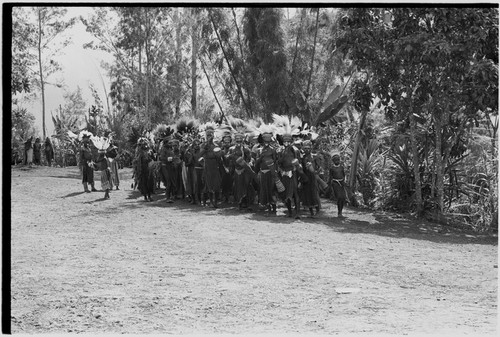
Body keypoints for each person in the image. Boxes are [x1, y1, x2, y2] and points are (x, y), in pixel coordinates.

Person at [277, 132, 302, 219]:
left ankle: (298, 213)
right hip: (284, 173)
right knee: (285, 193)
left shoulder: (295, 150)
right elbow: (279, 162)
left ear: (291, 141)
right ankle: (290, 212)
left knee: (295, 193)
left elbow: (299, 162)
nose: (286, 143)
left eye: (288, 141)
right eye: (285, 141)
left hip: (293, 173)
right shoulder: (281, 150)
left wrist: (298, 173)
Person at [255, 128, 278, 214]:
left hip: (270, 172)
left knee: (271, 190)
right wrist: (261, 156)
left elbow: (276, 161)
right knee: (264, 190)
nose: (266, 143)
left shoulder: (273, 150)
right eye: (265, 141)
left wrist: (274, 171)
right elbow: (257, 162)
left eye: (268, 141)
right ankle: (268, 209)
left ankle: (274, 209)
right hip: (263, 172)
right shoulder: (259, 150)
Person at [200, 125, 223, 208]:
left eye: (211, 135)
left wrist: (218, 154)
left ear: (213, 135)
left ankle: (216, 202)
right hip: (207, 167)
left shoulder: (216, 145)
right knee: (208, 185)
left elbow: (220, 157)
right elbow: (200, 154)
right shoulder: (203, 145)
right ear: (206, 136)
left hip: (215, 167)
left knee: (216, 185)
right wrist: (206, 146)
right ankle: (210, 202)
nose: (209, 136)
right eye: (208, 135)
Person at [300, 140, 321, 217]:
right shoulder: (303, 158)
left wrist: (314, 171)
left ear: (311, 148)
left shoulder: (314, 157)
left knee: (314, 194)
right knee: (307, 194)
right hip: (306, 178)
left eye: (308, 148)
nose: (307, 150)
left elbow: (319, 168)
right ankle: (311, 212)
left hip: (313, 178)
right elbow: (301, 168)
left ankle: (318, 211)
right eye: (305, 148)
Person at [136, 137, 155, 201]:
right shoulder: (140, 153)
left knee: (150, 183)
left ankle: (149, 196)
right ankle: (145, 197)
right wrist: (140, 171)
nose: (145, 145)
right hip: (143, 170)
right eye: (143, 144)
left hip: (150, 169)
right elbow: (139, 163)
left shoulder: (150, 151)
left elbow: (153, 158)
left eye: (146, 144)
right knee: (144, 183)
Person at [329, 151, 347, 218]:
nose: (337, 161)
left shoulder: (341, 167)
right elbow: (330, 177)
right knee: (339, 197)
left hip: (341, 183)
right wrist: (330, 186)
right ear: (333, 161)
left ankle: (340, 212)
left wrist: (344, 181)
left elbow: (343, 175)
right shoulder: (332, 168)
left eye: (338, 160)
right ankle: (339, 212)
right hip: (335, 183)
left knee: (343, 198)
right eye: (335, 160)